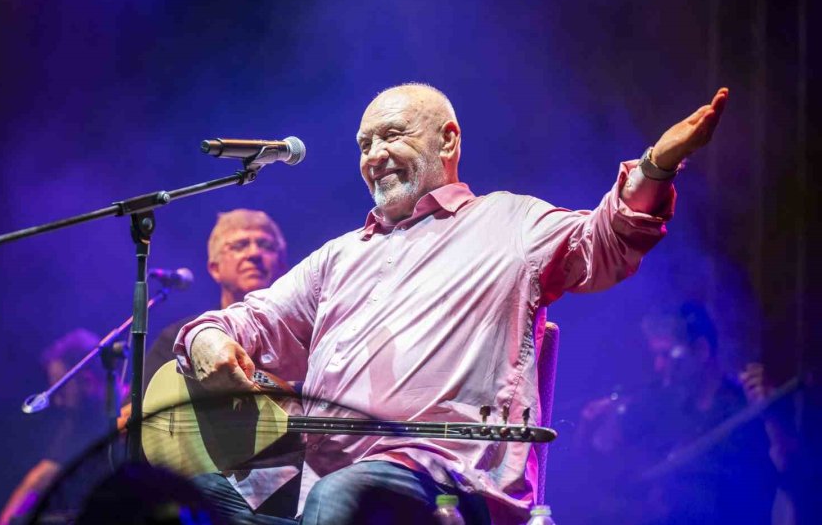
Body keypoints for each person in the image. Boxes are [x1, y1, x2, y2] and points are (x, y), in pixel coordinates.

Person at [174, 82, 729, 524]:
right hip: (318, 491)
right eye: (364, 145)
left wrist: (655, 167)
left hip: (445, 487)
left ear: (447, 140)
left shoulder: (509, 223)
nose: (374, 156)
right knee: (181, 504)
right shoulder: (338, 257)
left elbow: (605, 242)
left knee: (348, 497)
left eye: (391, 135)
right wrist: (208, 341)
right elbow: (249, 318)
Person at [572, 302, 795, 524]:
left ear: (701, 350)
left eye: (667, 354)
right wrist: (594, 424)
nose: (659, 365)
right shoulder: (666, 404)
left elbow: (789, 473)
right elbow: (605, 458)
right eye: (656, 355)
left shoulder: (744, 406)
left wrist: (774, 416)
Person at [142, 209, 300, 518]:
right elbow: (137, 420)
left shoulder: (302, 338)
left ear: (283, 266)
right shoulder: (179, 336)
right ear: (214, 268)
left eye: (265, 246)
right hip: (205, 480)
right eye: (239, 246)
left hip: (291, 485)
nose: (254, 254)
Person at [0, 329, 108, 525]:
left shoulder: (122, 412)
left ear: (87, 381)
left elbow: (41, 479)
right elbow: (41, 478)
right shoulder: (78, 420)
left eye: (61, 388)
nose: (57, 401)